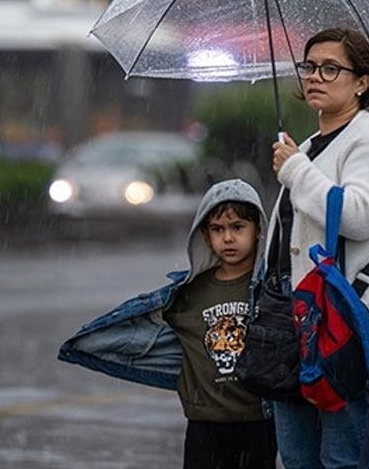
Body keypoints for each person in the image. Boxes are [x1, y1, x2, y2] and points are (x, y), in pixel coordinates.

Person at [267, 27, 369, 469]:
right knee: (299, 460)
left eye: (331, 68)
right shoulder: (312, 144)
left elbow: (360, 215)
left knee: (343, 461)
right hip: (301, 328)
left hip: (351, 327)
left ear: (362, 82)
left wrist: (297, 171)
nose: (315, 76)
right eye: (310, 67)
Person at [57, 179, 277, 469]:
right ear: (204, 234)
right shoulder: (188, 293)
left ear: (259, 229)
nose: (228, 238)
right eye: (217, 229)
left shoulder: (271, 290)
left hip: (258, 422)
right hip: (203, 423)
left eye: (238, 227)